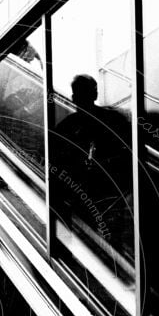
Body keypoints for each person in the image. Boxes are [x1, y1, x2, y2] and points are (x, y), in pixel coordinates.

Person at [54, 74, 132, 254]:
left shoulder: (66, 126)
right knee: (111, 237)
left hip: (91, 191)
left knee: (92, 236)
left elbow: (57, 163)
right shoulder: (113, 119)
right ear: (95, 94)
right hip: (104, 190)